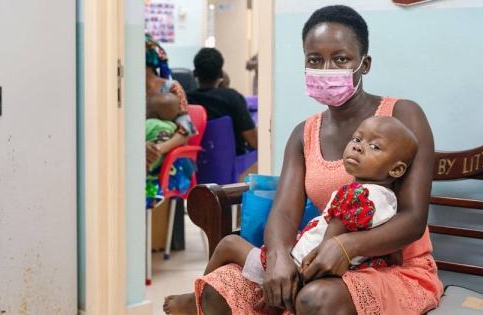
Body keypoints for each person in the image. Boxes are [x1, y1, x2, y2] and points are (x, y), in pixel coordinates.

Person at [175, 5, 444, 315]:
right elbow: (285, 214)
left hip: (389, 266)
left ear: (364, 64)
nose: (327, 69)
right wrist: (278, 258)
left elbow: (412, 217)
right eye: (315, 60)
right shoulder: (304, 133)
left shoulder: (402, 116)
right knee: (218, 290)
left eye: (341, 58)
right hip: (315, 260)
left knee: (314, 300)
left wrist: (347, 246)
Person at [163, 115, 418, 315]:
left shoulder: (354, 195)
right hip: (331, 270)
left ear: (396, 168)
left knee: (229, 243)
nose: (358, 148)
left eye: (374, 146)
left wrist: (287, 290)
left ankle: (195, 300)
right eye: (357, 139)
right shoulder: (388, 201)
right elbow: (393, 254)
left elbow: (327, 251)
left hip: (297, 270)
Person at [145, 39, 197, 209]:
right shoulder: (123, 88)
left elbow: (185, 130)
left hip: (165, 154)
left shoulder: (172, 88)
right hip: (137, 151)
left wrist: (158, 149)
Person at [186, 47, 257, 156]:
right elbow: (253, 141)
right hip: (231, 165)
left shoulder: (185, 99)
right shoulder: (233, 98)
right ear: (220, 74)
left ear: (194, 73)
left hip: (195, 165)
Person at [145, 93, 180, 172]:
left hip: (147, 157)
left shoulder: (151, 122)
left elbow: (136, 136)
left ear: (154, 115)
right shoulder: (173, 127)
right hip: (160, 162)